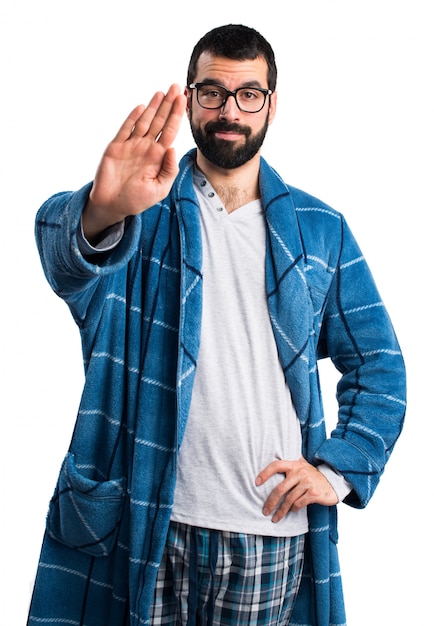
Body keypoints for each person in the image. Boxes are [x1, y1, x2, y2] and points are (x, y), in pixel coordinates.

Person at [27, 24, 406, 626]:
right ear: (191, 96)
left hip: (267, 531)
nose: (229, 111)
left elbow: (379, 366)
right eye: (212, 92)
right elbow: (63, 256)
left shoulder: (321, 229)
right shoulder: (141, 207)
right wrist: (103, 207)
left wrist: (337, 471)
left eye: (248, 94)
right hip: (148, 517)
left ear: (272, 105)